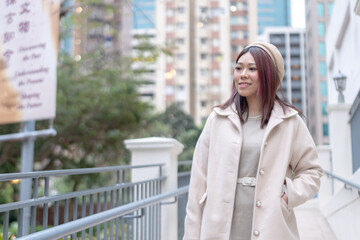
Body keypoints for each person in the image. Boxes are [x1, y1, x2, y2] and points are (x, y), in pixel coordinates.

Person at [183, 42, 323, 240]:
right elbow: (198, 182)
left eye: (252, 69)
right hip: (219, 225)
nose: (242, 74)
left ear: (269, 75)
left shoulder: (289, 121)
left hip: (271, 226)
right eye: (239, 68)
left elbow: (312, 171)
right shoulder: (218, 119)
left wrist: (287, 196)